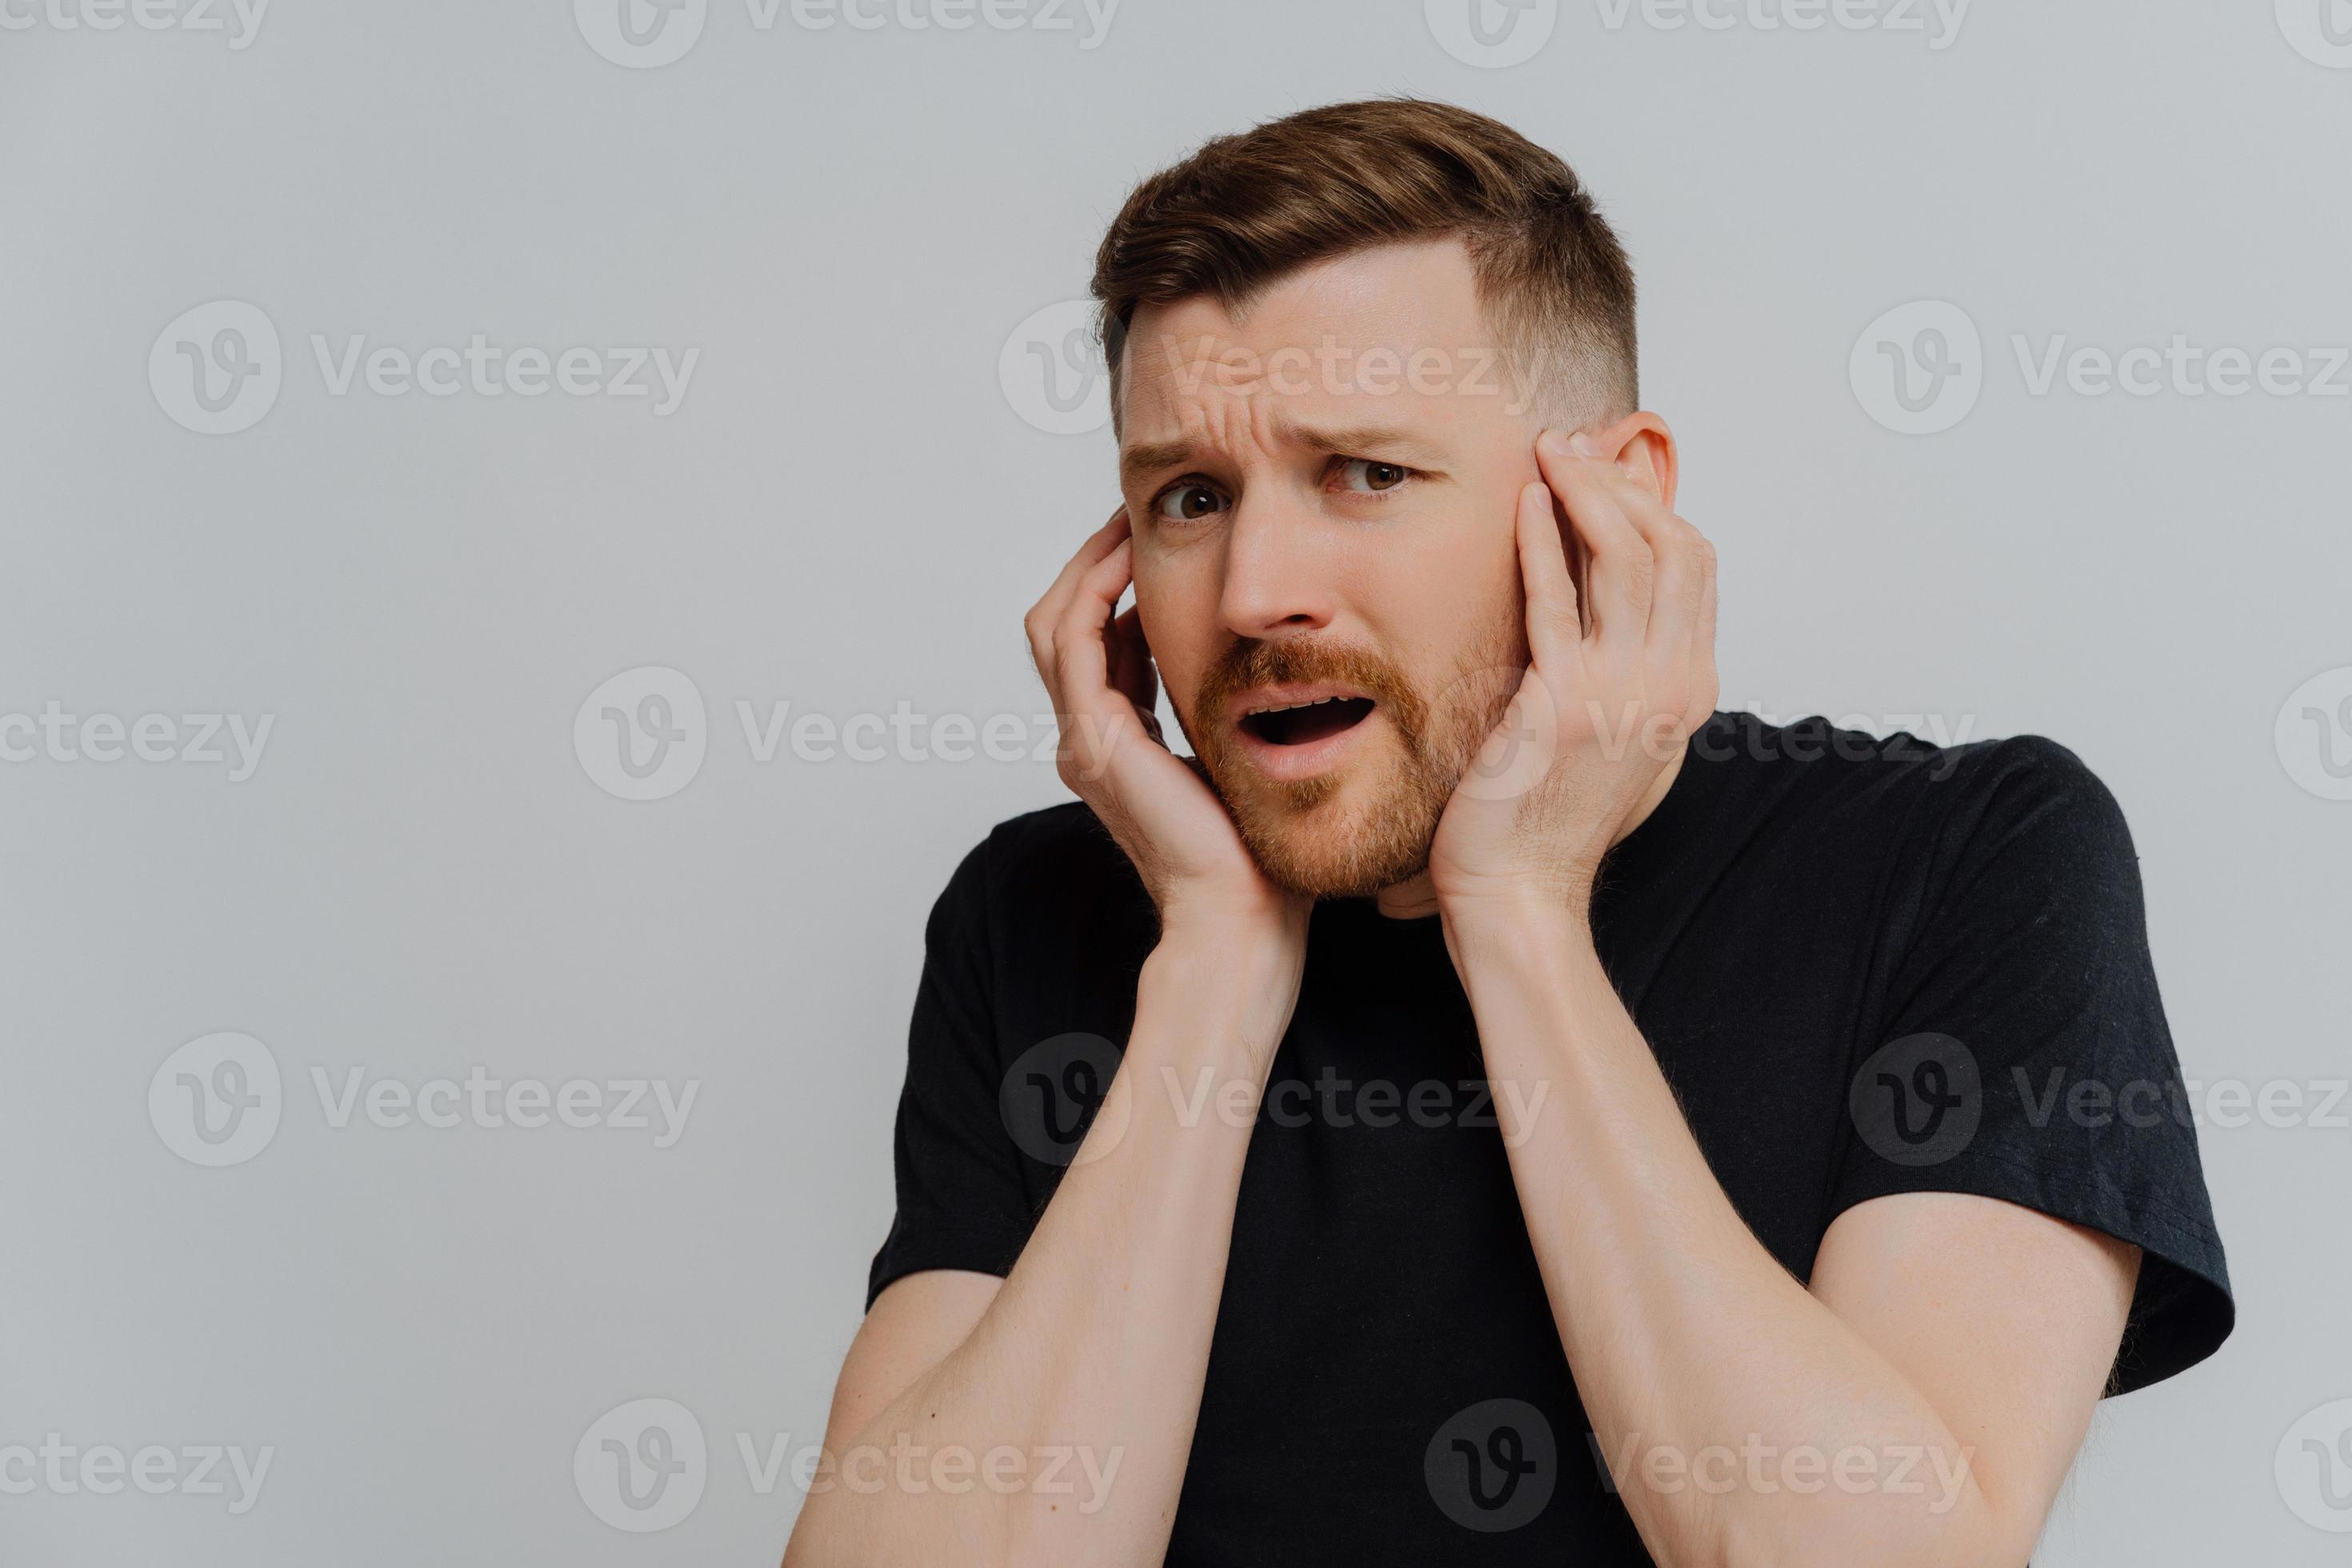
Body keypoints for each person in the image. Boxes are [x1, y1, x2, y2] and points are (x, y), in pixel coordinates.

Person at [783, 98, 2231, 1566]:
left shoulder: (1966, 857)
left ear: (1608, 505)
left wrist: (1522, 909)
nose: (1251, 591)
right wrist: (1212, 969)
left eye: (1367, 473)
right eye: (1191, 496)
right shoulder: (1039, 916)